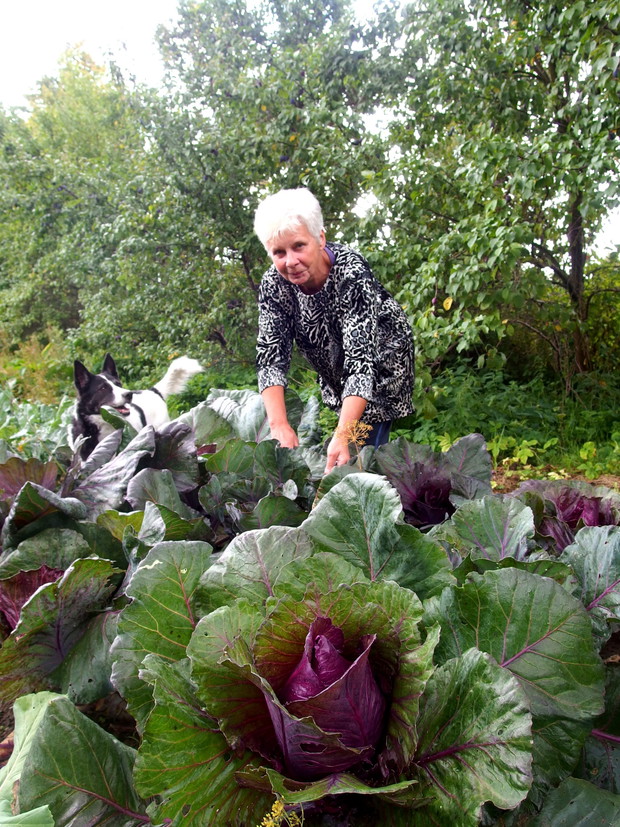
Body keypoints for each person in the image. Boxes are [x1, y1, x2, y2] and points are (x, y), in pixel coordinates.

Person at [254, 187, 414, 473]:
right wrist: (279, 425)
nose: (290, 261)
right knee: (347, 443)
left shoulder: (350, 273)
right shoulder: (273, 285)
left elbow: (361, 364)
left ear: (320, 238)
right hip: (334, 366)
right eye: (279, 252)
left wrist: (344, 436)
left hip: (380, 366)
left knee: (359, 449)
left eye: (299, 246)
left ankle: (373, 495)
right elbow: (271, 356)